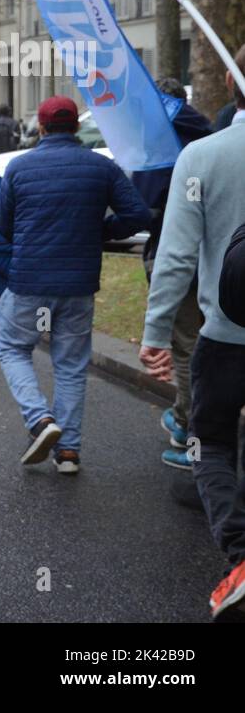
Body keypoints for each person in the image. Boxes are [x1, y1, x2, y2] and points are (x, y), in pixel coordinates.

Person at [0, 95, 150, 474]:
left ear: (42, 128)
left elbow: (1, 224)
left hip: (30, 279)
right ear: (76, 127)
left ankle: (40, 420)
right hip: (79, 283)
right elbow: (139, 213)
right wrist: (101, 232)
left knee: (11, 346)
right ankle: (68, 452)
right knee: (71, 365)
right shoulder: (101, 167)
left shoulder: (19, 167)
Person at [140, 55, 245, 622]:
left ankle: (241, 557)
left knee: (211, 444)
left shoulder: (202, 156)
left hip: (226, 335)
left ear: (230, 83)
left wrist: (156, 332)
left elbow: (176, 257)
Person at [131, 76, 213, 469]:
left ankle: (188, 425)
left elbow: (143, 202)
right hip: (218, 256)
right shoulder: (207, 134)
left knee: (185, 341)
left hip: (173, 247)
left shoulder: (155, 146)